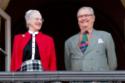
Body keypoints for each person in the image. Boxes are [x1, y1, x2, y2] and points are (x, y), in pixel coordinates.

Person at [65, 6, 117, 82]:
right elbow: (68, 66)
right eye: (80, 16)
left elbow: (113, 63)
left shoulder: (106, 36)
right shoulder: (69, 42)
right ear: (77, 20)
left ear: (93, 18)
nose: (83, 18)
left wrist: (104, 79)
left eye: (86, 15)